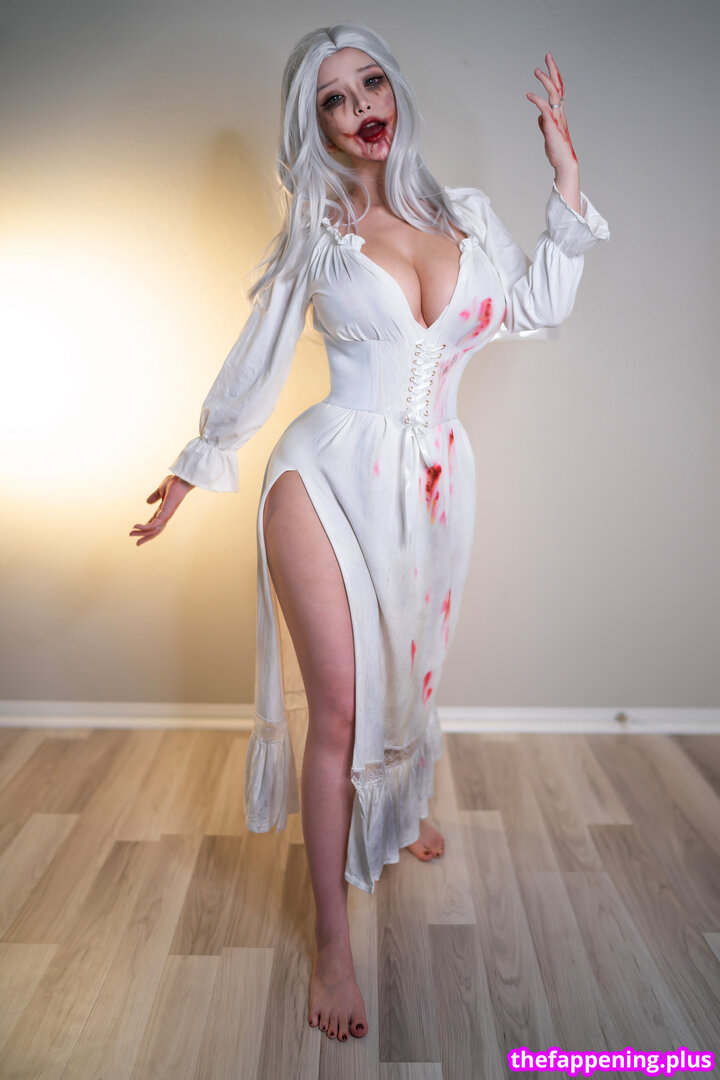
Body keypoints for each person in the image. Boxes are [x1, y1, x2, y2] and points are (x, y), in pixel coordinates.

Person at [130, 23, 609, 1044]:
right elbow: (259, 354)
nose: (360, 110)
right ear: (316, 128)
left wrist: (566, 177)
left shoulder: (466, 215)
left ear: (395, 91)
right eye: (334, 101)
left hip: (433, 483)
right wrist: (197, 460)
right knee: (340, 710)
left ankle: (401, 808)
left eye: (370, 84)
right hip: (323, 476)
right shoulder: (318, 232)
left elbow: (533, 310)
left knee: (411, 670)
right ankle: (333, 944)